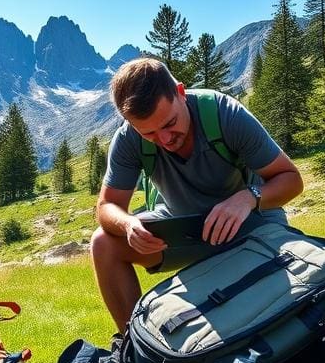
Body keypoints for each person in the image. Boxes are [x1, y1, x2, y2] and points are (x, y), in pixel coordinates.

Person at [90, 57, 304, 332]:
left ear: (180, 93)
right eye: (150, 134)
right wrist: (129, 224)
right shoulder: (128, 139)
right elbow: (107, 206)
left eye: (169, 123)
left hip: (251, 224)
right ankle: (136, 349)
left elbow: (291, 180)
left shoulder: (224, 113)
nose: (165, 139)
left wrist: (248, 197)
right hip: (187, 232)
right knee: (103, 243)